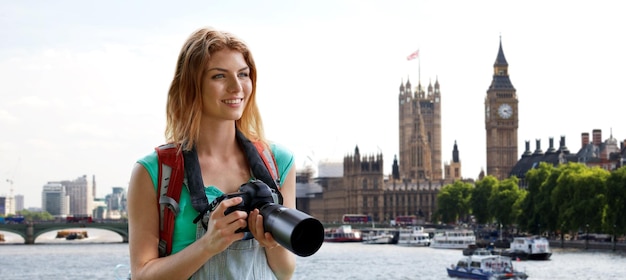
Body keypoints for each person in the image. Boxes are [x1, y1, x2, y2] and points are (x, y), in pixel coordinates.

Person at [127, 27, 296, 280]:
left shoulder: (279, 162)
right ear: (191, 85)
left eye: (243, 74)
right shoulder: (155, 171)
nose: (236, 87)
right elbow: (142, 274)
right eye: (219, 76)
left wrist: (270, 243)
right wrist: (208, 244)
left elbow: (285, 271)